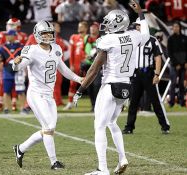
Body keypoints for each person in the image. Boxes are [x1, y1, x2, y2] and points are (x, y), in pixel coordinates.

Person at [73, 1, 150, 174]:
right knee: (112, 122)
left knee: (99, 126)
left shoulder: (107, 40)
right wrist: (140, 14)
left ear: (117, 23)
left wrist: (80, 90)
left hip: (110, 85)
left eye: (109, 22)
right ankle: (122, 158)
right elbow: (145, 33)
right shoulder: (134, 35)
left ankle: (102, 169)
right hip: (126, 86)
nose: (106, 25)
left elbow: (94, 69)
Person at [12, 20, 83, 170]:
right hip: (36, 94)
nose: (48, 36)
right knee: (49, 127)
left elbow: (63, 69)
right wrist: (16, 63)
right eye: (44, 33)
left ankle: (20, 149)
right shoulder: (31, 49)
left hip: (49, 95)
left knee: (48, 129)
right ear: (37, 34)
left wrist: (78, 79)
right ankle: (54, 162)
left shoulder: (57, 48)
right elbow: (19, 67)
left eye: (50, 33)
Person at [123, 19, 170, 135]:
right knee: (133, 102)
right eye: (137, 25)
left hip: (148, 73)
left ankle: (165, 126)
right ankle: (129, 127)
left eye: (139, 25)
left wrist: (157, 74)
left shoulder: (152, 40)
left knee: (156, 101)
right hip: (135, 74)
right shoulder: (132, 39)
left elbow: (158, 58)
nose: (137, 27)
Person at [0, 30, 26, 114]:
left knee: (20, 91)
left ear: (14, 36)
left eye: (9, 35)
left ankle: (23, 108)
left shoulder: (21, 46)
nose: (7, 36)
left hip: (18, 70)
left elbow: (26, 57)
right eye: (7, 35)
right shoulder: (3, 46)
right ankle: (6, 108)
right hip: (7, 70)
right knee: (6, 91)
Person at [64, 21, 89, 110]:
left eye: (81, 27)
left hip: (86, 65)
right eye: (79, 26)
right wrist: (71, 64)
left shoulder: (88, 38)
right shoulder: (74, 37)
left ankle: (95, 103)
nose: (79, 28)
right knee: (72, 84)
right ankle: (70, 103)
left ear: (86, 28)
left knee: (89, 84)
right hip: (76, 64)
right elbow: (71, 52)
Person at [167, 21, 187, 107]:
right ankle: (171, 102)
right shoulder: (170, 39)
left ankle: (181, 102)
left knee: (182, 84)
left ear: (180, 28)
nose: (175, 28)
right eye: (174, 27)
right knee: (173, 83)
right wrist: (176, 64)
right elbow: (169, 53)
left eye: (177, 26)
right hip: (174, 65)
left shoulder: (185, 38)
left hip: (184, 65)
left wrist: (186, 62)